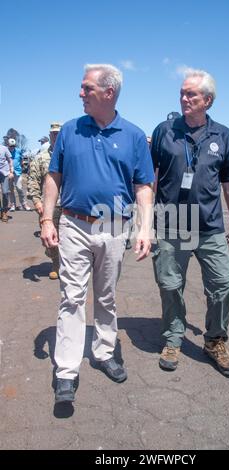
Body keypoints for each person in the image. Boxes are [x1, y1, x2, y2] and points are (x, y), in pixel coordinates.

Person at [41, 63, 154, 403]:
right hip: (73, 224)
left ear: (108, 93)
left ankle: (105, 352)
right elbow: (53, 177)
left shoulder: (133, 135)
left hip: (114, 227)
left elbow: (144, 186)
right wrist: (47, 219)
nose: (80, 93)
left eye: (86, 88)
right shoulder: (72, 130)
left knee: (106, 296)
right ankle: (66, 370)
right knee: (72, 298)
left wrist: (144, 228)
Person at [151, 69, 229, 377]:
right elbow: (151, 177)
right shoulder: (165, 130)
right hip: (171, 222)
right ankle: (173, 337)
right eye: (182, 93)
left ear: (208, 100)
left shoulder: (223, 135)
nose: (184, 98)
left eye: (191, 94)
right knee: (170, 284)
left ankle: (215, 340)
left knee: (221, 284)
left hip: (210, 224)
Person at [27, 123, 62, 279]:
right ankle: (56, 263)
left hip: (70, 204)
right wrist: (37, 202)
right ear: (50, 136)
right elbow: (32, 180)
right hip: (50, 206)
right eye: (54, 134)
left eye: (59, 134)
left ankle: (67, 264)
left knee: (70, 238)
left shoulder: (71, 156)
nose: (56, 136)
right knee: (50, 239)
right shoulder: (41, 158)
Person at [7, 138, 31, 211]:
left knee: (19, 188)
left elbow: (22, 159)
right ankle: (13, 205)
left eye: (13, 146)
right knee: (11, 190)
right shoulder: (6, 151)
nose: (12, 147)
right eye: (11, 146)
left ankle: (24, 204)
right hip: (9, 173)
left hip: (17, 172)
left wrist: (21, 166)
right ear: (8, 145)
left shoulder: (18, 151)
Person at [0, 144, 14, 222]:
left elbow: (10, 160)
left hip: (4, 173)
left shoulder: (4, 148)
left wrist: (11, 171)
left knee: (5, 192)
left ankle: (5, 211)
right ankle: (0, 211)